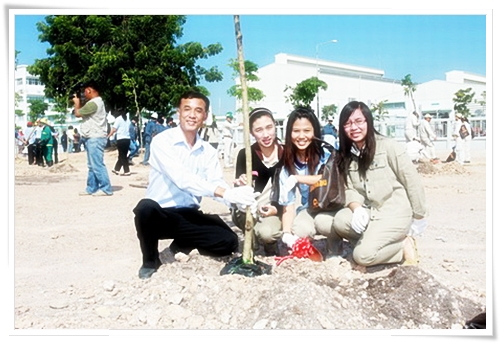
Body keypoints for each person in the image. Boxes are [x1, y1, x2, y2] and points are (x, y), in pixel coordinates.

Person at [132, 90, 258, 279]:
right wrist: (226, 193)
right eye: (187, 109)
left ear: (205, 116)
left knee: (228, 241)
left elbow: (215, 182)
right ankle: (150, 260)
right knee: (144, 209)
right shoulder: (162, 142)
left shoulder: (207, 150)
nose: (192, 115)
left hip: (188, 215)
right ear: (178, 112)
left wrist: (236, 199)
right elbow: (182, 178)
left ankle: (181, 243)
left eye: (198, 111)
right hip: (160, 214)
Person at [332, 101, 427, 270]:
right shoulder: (348, 154)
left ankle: (402, 246)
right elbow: (350, 188)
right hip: (371, 211)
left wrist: (419, 216)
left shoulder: (388, 146)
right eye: (347, 123)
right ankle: (374, 242)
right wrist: (357, 208)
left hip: (393, 213)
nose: (354, 127)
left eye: (359, 121)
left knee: (362, 256)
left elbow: (412, 181)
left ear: (368, 121)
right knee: (340, 221)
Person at [273, 107, 338, 254]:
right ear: (289, 133)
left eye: (307, 131)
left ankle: (335, 244)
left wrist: (298, 178)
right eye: (296, 131)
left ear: (314, 131)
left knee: (326, 224)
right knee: (300, 230)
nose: (301, 136)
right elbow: (288, 207)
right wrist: (286, 233)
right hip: (308, 208)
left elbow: (329, 179)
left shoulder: (327, 155)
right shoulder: (287, 166)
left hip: (331, 207)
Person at [232, 107, 284, 256]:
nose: (265, 134)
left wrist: (276, 209)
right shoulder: (245, 154)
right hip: (250, 209)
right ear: (251, 132)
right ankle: (251, 241)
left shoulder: (286, 153)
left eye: (269, 127)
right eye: (259, 130)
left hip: (274, 209)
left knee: (267, 233)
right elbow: (236, 190)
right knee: (241, 214)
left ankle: (270, 243)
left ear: (275, 125)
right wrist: (241, 184)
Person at [72, 80, 113, 196]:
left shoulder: (93, 103)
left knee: (97, 164)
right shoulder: (97, 102)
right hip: (93, 137)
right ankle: (91, 188)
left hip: (95, 137)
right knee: (92, 165)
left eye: (85, 92)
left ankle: (106, 188)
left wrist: (76, 102)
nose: (84, 94)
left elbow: (78, 113)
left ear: (89, 90)